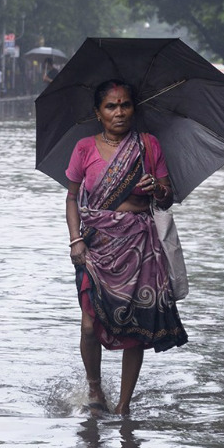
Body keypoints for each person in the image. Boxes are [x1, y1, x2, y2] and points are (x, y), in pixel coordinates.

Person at [64, 79, 187, 417]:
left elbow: (167, 195)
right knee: (89, 324)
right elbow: (72, 197)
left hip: (140, 246)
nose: (119, 113)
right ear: (98, 113)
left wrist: (155, 189)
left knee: (136, 328)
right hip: (95, 247)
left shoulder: (148, 146)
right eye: (111, 106)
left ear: (134, 108)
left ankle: (123, 406)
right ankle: (94, 388)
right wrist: (75, 240)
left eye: (125, 105)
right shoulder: (84, 149)